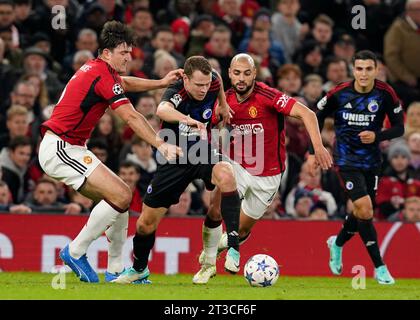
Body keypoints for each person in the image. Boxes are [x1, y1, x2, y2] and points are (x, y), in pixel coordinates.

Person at [38, 21, 183, 283]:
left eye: (130, 52)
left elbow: (124, 82)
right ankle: (75, 250)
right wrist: (161, 144)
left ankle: (116, 269)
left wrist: (160, 82)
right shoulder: (101, 74)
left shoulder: (99, 70)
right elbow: (131, 116)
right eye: (123, 52)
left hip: (68, 147)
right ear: (107, 53)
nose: (129, 57)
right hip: (60, 147)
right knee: (121, 194)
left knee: (120, 198)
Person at [194, 53, 332, 284]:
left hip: (268, 175)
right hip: (236, 165)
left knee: (243, 228)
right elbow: (206, 126)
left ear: (254, 74)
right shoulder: (224, 101)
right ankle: (208, 264)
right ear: (229, 73)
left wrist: (317, 148)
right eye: (237, 73)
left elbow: (307, 113)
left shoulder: (268, 96)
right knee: (215, 208)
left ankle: (224, 243)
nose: (241, 78)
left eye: (247, 73)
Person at [112, 55, 242, 285]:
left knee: (226, 174)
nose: (203, 89)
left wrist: (223, 104)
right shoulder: (176, 89)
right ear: (186, 79)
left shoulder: (213, 80)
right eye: (198, 85)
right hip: (175, 156)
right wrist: (189, 120)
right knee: (145, 223)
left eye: (206, 84)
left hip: (202, 151)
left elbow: (219, 80)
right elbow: (162, 110)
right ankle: (139, 269)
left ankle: (231, 246)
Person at [311, 50, 404, 285]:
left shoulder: (385, 93)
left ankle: (338, 243)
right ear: (353, 70)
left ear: (376, 70)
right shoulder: (340, 93)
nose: (363, 74)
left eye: (368, 69)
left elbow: (399, 129)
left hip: (372, 162)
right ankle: (380, 268)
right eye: (359, 69)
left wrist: (377, 135)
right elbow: (315, 115)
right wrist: (316, 148)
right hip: (345, 159)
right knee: (364, 208)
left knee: (363, 212)